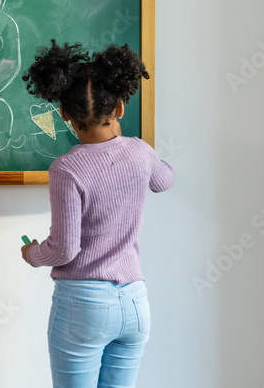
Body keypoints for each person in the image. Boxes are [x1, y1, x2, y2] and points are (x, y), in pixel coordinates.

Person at [20, 41, 175, 388]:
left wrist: (31, 254)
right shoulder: (139, 152)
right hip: (135, 302)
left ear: (64, 113)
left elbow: (64, 249)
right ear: (120, 107)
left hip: (84, 305)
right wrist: (133, 148)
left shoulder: (67, 169)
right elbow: (165, 181)